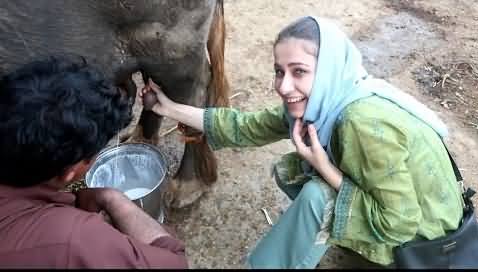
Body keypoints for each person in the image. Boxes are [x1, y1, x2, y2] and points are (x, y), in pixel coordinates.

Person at [139, 16, 464, 268]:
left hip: (426, 237)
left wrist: (323, 166)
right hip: (403, 213)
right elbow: (244, 127)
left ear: (328, 71)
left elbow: (399, 223)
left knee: (316, 196)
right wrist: (167, 108)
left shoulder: (360, 122)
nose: (283, 86)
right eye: (280, 72)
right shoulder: (327, 98)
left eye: (299, 72)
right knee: (296, 173)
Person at [0, 57, 188, 268]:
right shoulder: (70, 241)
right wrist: (112, 198)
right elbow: (175, 263)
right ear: (70, 172)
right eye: (94, 155)